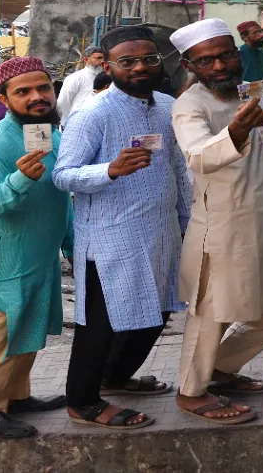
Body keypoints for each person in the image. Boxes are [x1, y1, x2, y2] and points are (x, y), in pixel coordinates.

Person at [168, 18, 263, 424]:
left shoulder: (253, 92)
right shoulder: (190, 105)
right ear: (189, 65)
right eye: (207, 60)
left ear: (238, 53)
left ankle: (220, 368)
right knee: (211, 312)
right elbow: (197, 156)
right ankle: (191, 391)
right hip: (223, 224)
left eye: (226, 55)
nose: (219, 66)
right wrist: (235, 130)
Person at [51, 25, 192, 430]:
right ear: (108, 66)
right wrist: (109, 170)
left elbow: (178, 170)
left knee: (158, 311)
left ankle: (117, 378)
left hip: (162, 231)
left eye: (148, 58)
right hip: (111, 238)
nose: (140, 67)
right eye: (127, 61)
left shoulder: (166, 106)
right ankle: (83, 400)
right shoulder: (92, 114)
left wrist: (186, 222)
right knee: (101, 322)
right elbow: (64, 175)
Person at [0, 57, 73, 439]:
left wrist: (71, 242)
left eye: (43, 88)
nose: (37, 97)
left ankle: (15, 395)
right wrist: (19, 180)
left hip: (41, 254)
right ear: (4, 98)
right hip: (4, 259)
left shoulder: (48, 133)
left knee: (30, 326)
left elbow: (60, 194)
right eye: (23, 91)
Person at [56, 46, 106, 122]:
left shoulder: (109, 78)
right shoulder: (76, 78)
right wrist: (65, 122)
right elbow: (63, 103)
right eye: (98, 58)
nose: (102, 61)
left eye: (104, 58)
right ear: (86, 59)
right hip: (76, 122)